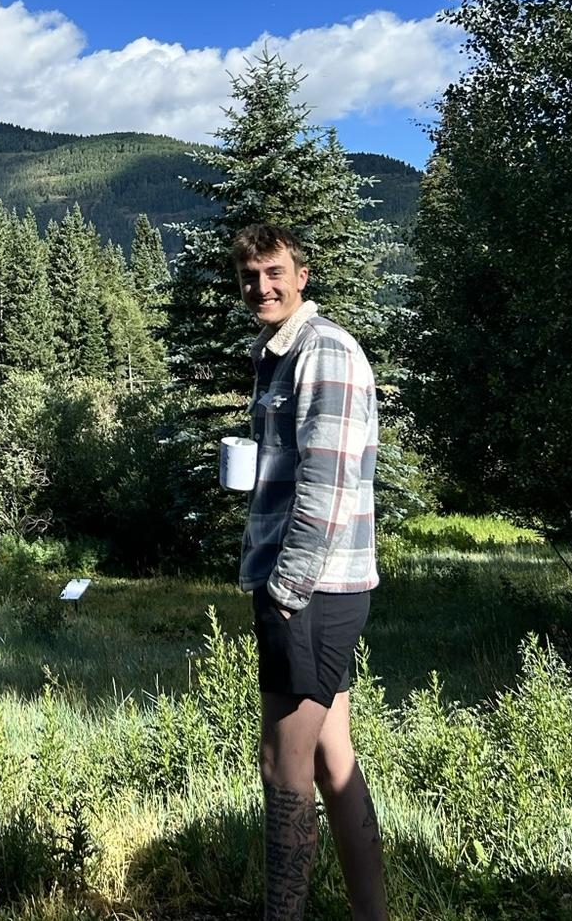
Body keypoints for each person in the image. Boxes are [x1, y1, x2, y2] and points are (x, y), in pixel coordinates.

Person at [232, 223, 385, 921]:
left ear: (302, 275)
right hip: (314, 585)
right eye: (250, 276)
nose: (261, 287)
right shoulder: (277, 354)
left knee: (281, 768)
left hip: (311, 589)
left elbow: (325, 487)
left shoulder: (323, 353)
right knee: (332, 762)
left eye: (274, 272)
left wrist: (286, 593)